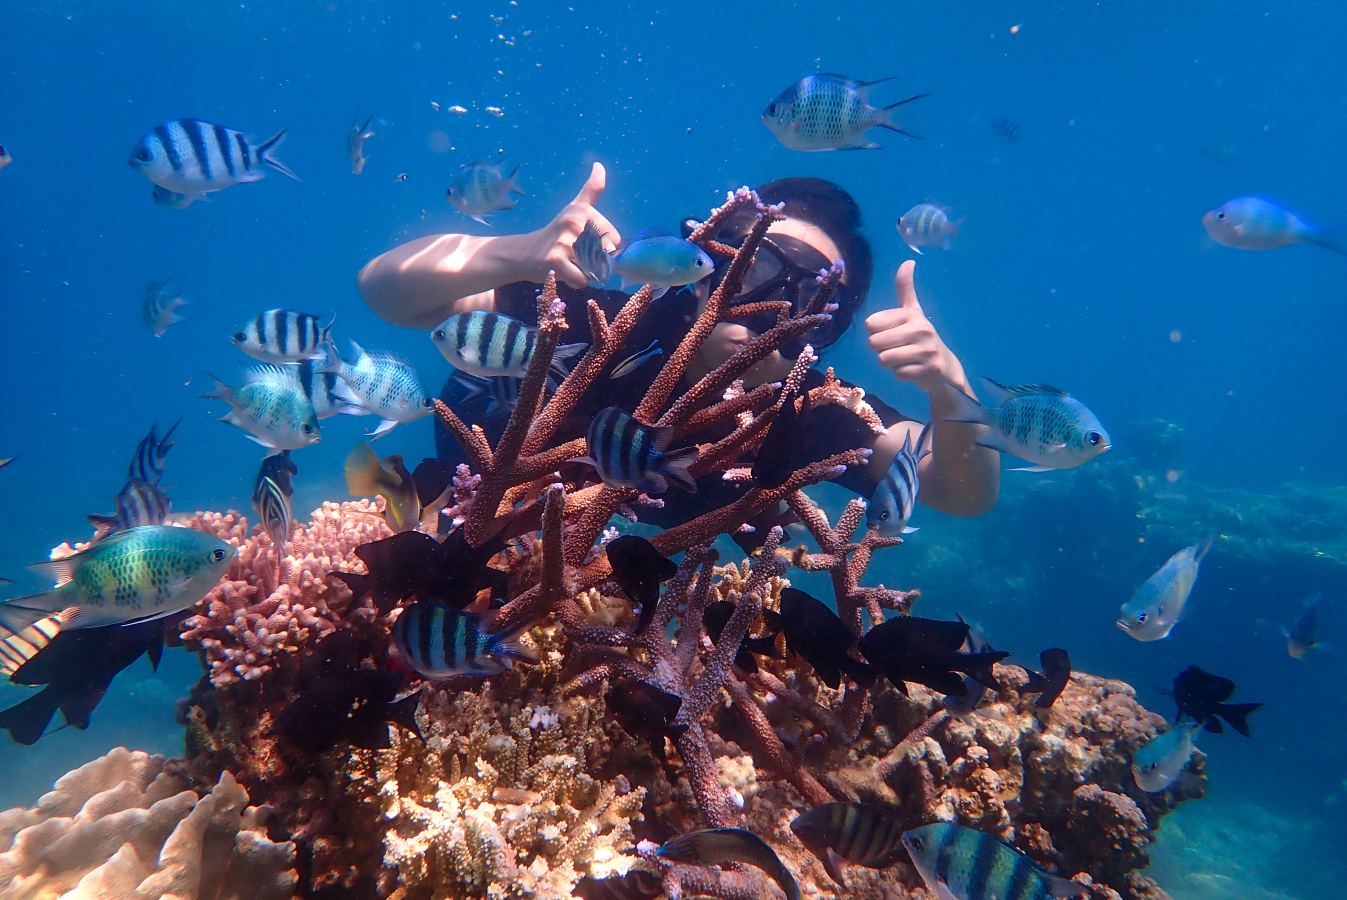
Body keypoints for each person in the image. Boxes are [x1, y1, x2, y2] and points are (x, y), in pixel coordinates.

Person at [358, 163, 998, 526]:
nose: (773, 302)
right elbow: (386, 292)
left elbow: (959, 491)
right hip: (455, 499)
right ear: (706, 266)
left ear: (827, 325)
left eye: (812, 294)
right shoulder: (614, 323)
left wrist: (950, 388)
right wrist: (518, 254)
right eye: (757, 265)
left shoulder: (811, 412)